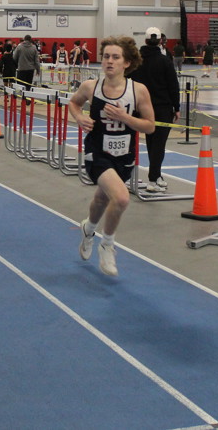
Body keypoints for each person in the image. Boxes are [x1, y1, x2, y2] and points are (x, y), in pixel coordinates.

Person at [68, 36, 156, 277]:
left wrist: (125, 117)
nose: (109, 61)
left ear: (126, 62)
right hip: (97, 151)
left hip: (124, 154)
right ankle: (107, 245)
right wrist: (79, 117)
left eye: (115, 57)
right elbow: (74, 104)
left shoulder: (138, 90)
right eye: (106, 56)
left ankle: (88, 229)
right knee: (121, 198)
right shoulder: (91, 87)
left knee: (101, 199)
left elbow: (150, 126)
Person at [129, 27, 181, 193]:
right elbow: (173, 85)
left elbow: (128, 81)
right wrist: (177, 107)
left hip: (140, 108)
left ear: (145, 41)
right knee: (158, 144)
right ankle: (153, 179)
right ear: (160, 41)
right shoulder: (165, 61)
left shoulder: (136, 62)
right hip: (161, 108)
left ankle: (156, 175)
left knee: (152, 142)